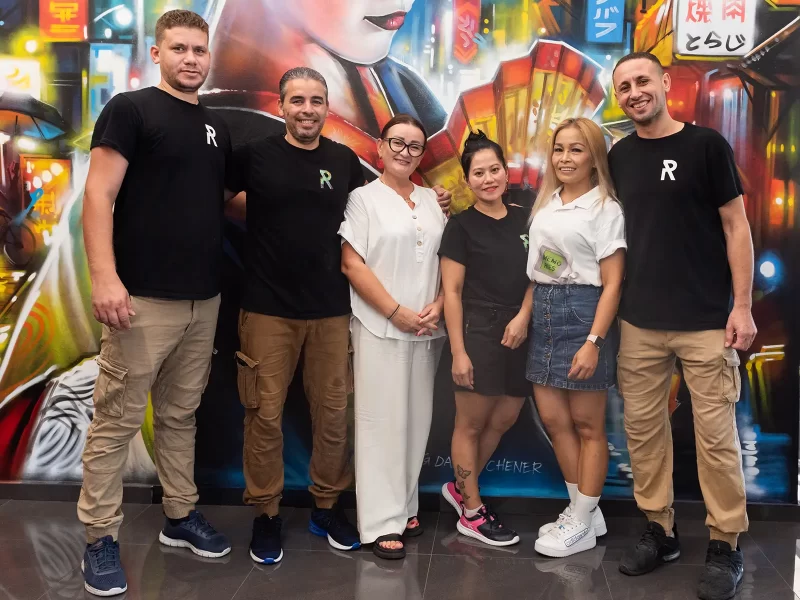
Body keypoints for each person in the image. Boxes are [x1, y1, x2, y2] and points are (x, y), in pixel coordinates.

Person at [226, 67, 451, 566]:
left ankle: (326, 508)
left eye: (316, 100)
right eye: (297, 100)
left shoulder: (343, 160)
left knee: (333, 417)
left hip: (331, 311)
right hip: (266, 309)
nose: (307, 109)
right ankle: (266, 516)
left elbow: (389, 202)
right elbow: (221, 204)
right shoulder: (255, 155)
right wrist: (264, 220)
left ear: (328, 108)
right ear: (282, 105)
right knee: (263, 414)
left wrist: (439, 199)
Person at [78, 10, 234, 597]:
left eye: (200, 49)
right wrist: (103, 277)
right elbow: (98, 193)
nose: (191, 58)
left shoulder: (214, 124)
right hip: (140, 298)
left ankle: (179, 516)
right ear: (158, 52)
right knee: (116, 421)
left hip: (204, 299)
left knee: (178, 415)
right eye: (180, 49)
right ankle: (99, 538)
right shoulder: (131, 109)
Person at [610, 52, 756, 600]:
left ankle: (725, 542)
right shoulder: (619, 157)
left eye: (643, 81)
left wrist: (740, 306)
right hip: (640, 322)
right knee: (644, 435)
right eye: (624, 86)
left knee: (716, 440)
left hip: (705, 321)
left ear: (665, 83)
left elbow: (736, 226)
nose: (634, 92)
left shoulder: (706, 146)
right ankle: (659, 530)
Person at [339, 114, 446, 560]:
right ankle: (381, 520)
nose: (405, 152)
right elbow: (352, 264)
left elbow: (447, 259)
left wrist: (438, 304)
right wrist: (396, 311)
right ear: (380, 148)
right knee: (380, 423)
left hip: (428, 328)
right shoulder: (363, 199)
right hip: (380, 326)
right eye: (397, 143)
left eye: (415, 146)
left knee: (416, 421)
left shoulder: (432, 200)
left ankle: (404, 508)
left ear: (423, 154)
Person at [526, 117, 626, 558]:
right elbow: (547, 263)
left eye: (576, 149)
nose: (565, 158)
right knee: (554, 421)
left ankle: (581, 521)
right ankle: (584, 509)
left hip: (583, 312)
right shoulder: (548, 202)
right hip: (545, 310)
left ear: (594, 157)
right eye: (559, 149)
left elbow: (614, 283)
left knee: (588, 426)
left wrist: (593, 341)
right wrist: (524, 314)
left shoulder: (606, 208)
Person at [438, 131, 531, 547]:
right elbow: (451, 293)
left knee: (505, 417)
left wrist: (524, 318)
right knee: (470, 423)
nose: (489, 178)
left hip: (521, 331)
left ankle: (460, 490)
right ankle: (471, 512)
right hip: (477, 332)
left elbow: (540, 274)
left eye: (495, 169)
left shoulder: (527, 219)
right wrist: (458, 352)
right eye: (479, 173)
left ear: (505, 172)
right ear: (467, 180)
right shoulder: (460, 227)